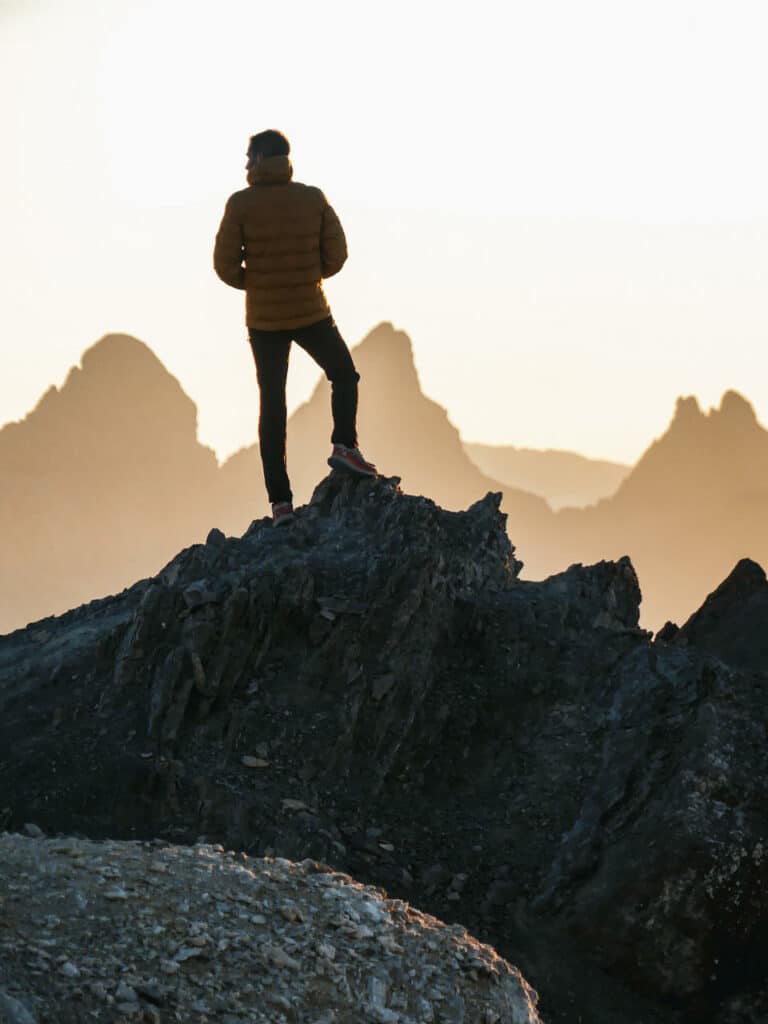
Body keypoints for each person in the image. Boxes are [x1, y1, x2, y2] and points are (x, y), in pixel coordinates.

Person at [213, 128, 377, 526]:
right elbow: (337, 254)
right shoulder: (312, 198)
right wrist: (308, 276)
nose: (245, 164)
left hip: (265, 321)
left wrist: (258, 281)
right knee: (344, 374)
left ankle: (281, 504)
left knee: (272, 406)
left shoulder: (240, 205)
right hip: (311, 311)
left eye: (248, 156)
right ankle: (344, 445)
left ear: (260, 159)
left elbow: (224, 266)